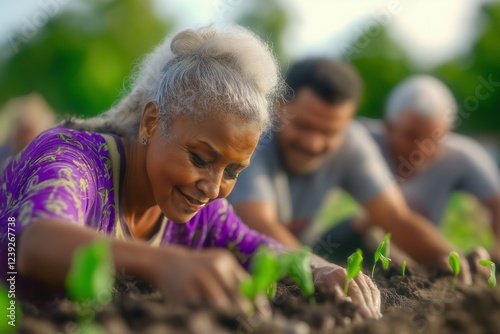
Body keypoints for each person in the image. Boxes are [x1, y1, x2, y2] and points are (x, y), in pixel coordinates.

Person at [0, 27, 381, 318]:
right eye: (200, 158)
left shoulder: (201, 218)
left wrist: (319, 267)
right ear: (151, 123)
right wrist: (164, 263)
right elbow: (31, 244)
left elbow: (260, 248)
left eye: (233, 170)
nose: (213, 188)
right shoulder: (75, 160)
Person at [227, 58, 471, 279]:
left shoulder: (353, 142)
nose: (313, 143)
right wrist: (321, 270)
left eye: (329, 132)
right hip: (230, 259)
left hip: (297, 255)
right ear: (279, 107)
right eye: (303, 126)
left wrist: (455, 259)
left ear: (348, 121)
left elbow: (396, 217)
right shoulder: (254, 137)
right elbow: (259, 222)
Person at [360, 75, 500, 261]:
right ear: (389, 127)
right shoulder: (361, 143)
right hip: (356, 251)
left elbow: (496, 203)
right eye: (411, 137)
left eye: (434, 139)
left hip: (425, 259)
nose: (421, 150)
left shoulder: (463, 157)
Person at [0, 93, 56, 166]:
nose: (24, 139)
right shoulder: (4, 151)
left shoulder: (45, 158)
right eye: (21, 134)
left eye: (28, 134)